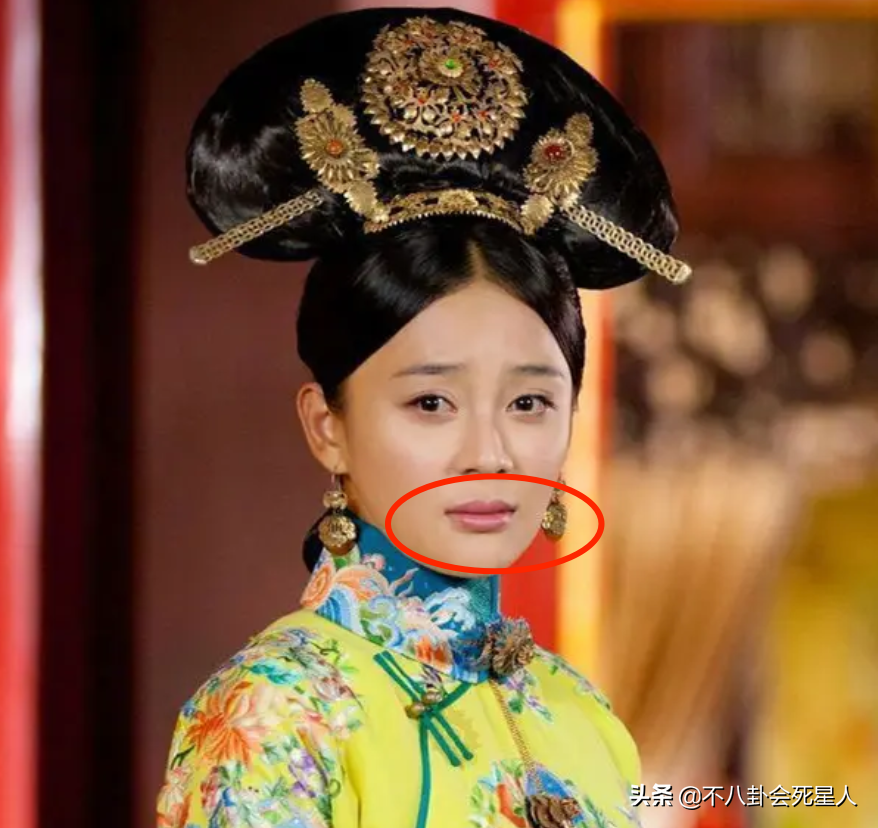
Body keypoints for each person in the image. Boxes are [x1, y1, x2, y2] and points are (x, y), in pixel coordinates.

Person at [155, 7, 690, 828]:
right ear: (326, 426)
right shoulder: (276, 717)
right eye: (431, 402)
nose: (490, 452)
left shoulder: (581, 716)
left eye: (529, 402)